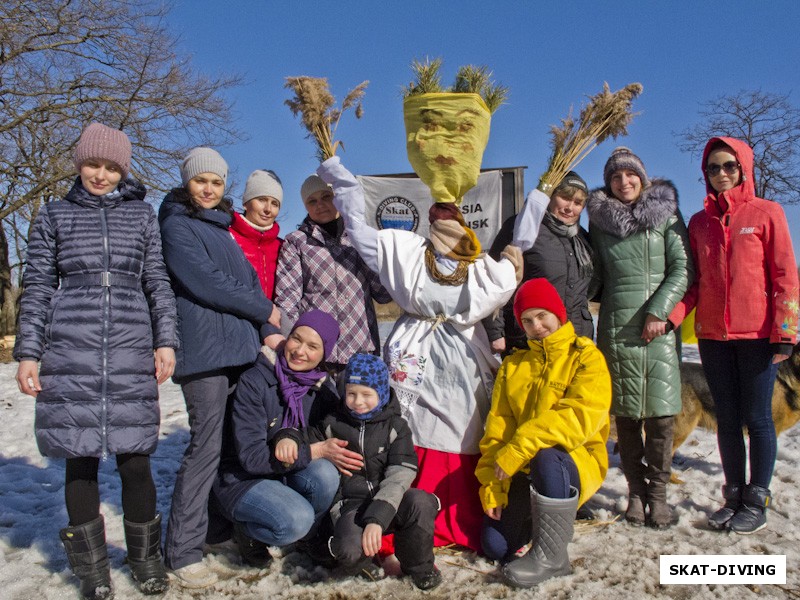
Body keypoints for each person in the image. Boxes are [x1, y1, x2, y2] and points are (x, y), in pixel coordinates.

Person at [316, 155, 548, 552]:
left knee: (465, 421)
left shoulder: (477, 267)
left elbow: (514, 256)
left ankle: (458, 518)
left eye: (453, 225)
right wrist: (340, 177)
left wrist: (537, 203)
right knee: (407, 420)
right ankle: (398, 511)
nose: (448, 235)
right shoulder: (408, 253)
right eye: (441, 224)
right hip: (415, 347)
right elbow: (358, 229)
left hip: (460, 352)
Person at [13, 122, 178, 599]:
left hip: (130, 345)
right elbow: (38, 287)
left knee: (135, 461)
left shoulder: (142, 216)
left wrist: (164, 341)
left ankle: (145, 559)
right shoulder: (54, 215)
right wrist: (29, 352)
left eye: (111, 167)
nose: (101, 175)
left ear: (123, 169)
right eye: (93, 164)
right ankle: (93, 569)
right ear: (79, 163)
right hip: (71, 347)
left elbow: (157, 283)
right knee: (78, 459)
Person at [158, 147, 281, 588]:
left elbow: (245, 279)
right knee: (205, 449)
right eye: (200, 181)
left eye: (215, 182)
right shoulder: (176, 225)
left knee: (234, 447)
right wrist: (264, 308)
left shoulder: (222, 227)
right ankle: (182, 551)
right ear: (186, 183)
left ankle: (218, 530)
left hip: (240, 353)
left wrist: (261, 318)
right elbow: (207, 283)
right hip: (205, 356)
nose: (208, 189)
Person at [669, 137, 799, 534]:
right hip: (712, 336)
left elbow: (785, 276)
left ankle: (757, 498)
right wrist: (671, 318)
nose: (721, 174)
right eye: (713, 168)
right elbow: (694, 284)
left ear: (743, 168)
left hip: (758, 336)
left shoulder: (766, 213)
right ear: (704, 175)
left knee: (758, 418)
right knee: (726, 420)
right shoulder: (699, 223)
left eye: (729, 166)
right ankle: (733, 494)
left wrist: (785, 331)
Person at [476, 278, 611, 588]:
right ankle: (539, 531)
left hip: (572, 461)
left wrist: (522, 447)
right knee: (495, 545)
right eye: (527, 319)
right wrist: (493, 488)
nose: (536, 325)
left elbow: (577, 416)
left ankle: (553, 558)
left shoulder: (586, 357)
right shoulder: (513, 366)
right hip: (521, 467)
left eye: (542, 315)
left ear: (558, 314)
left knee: (546, 455)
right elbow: (497, 432)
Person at [586, 147, 693, 529]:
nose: (623, 182)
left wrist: (659, 312)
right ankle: (634, 492)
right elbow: (594, 275)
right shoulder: (600, 224)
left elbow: (683, 268)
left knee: (662, 417)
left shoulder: (666, 215)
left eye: (630, 174)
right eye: (615, 177)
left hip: (657, 330)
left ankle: (658, 495)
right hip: (616, 327)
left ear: (643, 178)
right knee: (627, 417)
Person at [276, 352, 442, 590]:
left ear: (382, 393)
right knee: (348, 550)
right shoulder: (332, 423)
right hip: (350, 505)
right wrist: (287, 436)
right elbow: (304, 440)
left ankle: (419, 567)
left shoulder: (396, 426)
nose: (358, 401)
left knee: (420, 502)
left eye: (367, 394)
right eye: (352, 393)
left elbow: (401, 473)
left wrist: (378, 517)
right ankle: (365, 565)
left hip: (389, 500)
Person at [213, 310, 358, 567]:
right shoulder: (255, 381)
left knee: (325, 475)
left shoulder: (321, 389)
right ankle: (247, 533)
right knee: (295, 520)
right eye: (296, 339)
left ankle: (308, 538)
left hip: (284, 471)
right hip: (242, 479)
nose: (300, 351)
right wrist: (312, 450)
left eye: (312, 346)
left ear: (324, 353)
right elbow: (250, 458)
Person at [273, 175, 391, 375]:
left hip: (360, 346)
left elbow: (383, 293)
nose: (320, 205)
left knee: (358, 404)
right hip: (316, 352)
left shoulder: (358, 237)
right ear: (305, 206)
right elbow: (287, 300)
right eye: (312, 201)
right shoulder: (297, 242)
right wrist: (295, 347)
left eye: (326, 196)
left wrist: (370, 250)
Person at [484, 171, 594, 355]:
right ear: (550, 197)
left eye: (577, 203)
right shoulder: (522, 228)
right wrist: (495, 332)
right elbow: (494, 279)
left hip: (575, 342)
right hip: (529, 339)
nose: (570, 207)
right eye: (565, 198)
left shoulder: (583, 239)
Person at [229, 169, 283, 299]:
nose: (268, 209)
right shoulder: (227, 237)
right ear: (246, 203)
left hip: (273, 318)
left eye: (274, 204)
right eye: (261, 200)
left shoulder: (283, 247)